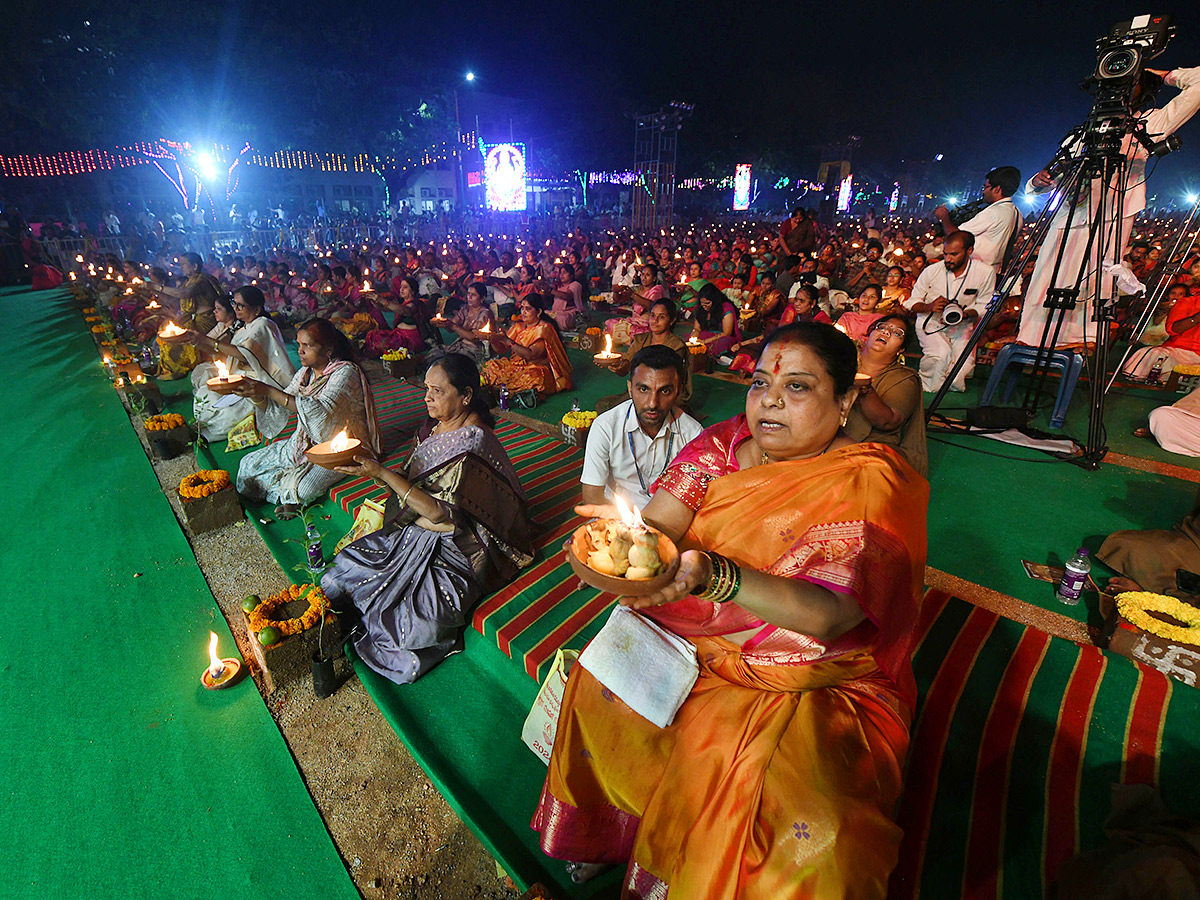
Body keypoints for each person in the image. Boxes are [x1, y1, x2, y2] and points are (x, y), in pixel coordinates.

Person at [533, 322, 929, 896]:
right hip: (691, 629)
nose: (769, 400)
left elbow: (828, 616)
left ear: (845, 402)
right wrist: (626, 548)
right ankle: (613, 831)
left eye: (797, 387)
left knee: (814, 830)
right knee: (600, 685)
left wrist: (713, 575)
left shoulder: (872, 480)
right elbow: (664, 526)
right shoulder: (719, 445)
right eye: (760, 381)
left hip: (812, 674)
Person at [321, 353, 534, 684]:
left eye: (438, 391)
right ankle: (357, 614)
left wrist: (381, 473)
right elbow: (412, 484)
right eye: (426, 389)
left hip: (458, 547)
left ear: (465, 395)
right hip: (414, 530)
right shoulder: (434, 427)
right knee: (343, 571)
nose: (427, 398)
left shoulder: (473, 441)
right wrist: (376, 473)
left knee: (420, 625)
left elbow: (440, 513)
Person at [1017, 65, 1200, 348]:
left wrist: (1162, 75)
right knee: (1047, 277)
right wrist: (1039, 182)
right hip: (1069, 214)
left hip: (1113, 214)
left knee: (1096, 278)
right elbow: (1050, 174)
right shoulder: (1084, 130)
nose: (1121, 87)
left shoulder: (1149, 124)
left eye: (1131, 81)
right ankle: (1032, 340)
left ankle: (1081, 340)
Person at [234, 318, 380, 518]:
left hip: (341, 448)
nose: (300, 350)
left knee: (303, 489)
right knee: (247, 464)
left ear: (328, 349)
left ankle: (290, 494)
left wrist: (268, 389)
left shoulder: (345, 373)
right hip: (305, 443)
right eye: (299, 344)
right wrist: (258, 395)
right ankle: (286, 491)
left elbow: (321, 412)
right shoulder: (305, 373)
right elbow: (283, 405)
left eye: (307, 345)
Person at [581, 345, 702, 509]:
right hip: (616, 520)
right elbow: (592, 498)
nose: (652, 403)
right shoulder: (605, 427)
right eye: (644, 389)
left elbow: (697, 497)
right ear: (630, 389)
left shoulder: (693, 434)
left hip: (669, 520)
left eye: (665, 391)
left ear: (679, 391)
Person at [188, 285, 297, 441]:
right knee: (205, 393)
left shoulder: (263, 324)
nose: (236, 309)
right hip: (241, 375)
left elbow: (244, 354)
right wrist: (196, 342)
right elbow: (225, 352)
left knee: (227, 414)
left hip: (260, 381)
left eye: (241, 305)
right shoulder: (244, 328)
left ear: (257, 309)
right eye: (235, 304)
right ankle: (201, 425)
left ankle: (204, 432)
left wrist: (206, 341)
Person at [904, 231, 995, 392]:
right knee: (940, 354)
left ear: (969, 251)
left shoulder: (985, 272)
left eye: (953, 254)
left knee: (960, 374)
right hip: (930, 322)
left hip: (963, 325)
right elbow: (911, 302)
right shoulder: (931, 271)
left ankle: (948, 379)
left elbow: (985, 305)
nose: (948, 259)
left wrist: (965, 314)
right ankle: (926, 386)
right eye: (945, 254)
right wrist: (929, 307)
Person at [844, 314, 928, 475]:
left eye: (897, 333)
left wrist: (864, 389)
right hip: (827, 431)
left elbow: (888, 422)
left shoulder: (904, 378)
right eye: (882, 327)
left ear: (901, 350)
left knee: (870, 468)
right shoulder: (843, 360)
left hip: (873, 444)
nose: (886, 332)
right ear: (868, 336)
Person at [933, 166, 1023, 273]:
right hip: (994, 272)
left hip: (976, 273)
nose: (983, 192)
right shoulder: (1018, 215)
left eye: (985, 187)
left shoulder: (993, 212)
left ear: (997, 189)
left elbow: (955, 236)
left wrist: (944, 217)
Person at [150, 252, 223, 379]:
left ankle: (181, 367)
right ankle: (173, 366)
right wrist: (152, 290)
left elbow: (185, 294)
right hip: (192, 317)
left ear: (194, 266)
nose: (181, 267)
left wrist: (159, 287)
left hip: (207, 320)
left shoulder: (202, 280)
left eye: (183, 264)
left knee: (181, 337)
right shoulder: (189, 281)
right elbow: (172, 300)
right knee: (165, 331)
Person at [481, 294, 573, 396]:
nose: (523, 312)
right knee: (490, 366)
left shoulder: (544, 329)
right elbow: (501, 349)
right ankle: (505, 389)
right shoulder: (519, 326)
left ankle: (503, 388)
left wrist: (507, 340)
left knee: (534, 378)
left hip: (536, 368)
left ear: (538, 312)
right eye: (522, 308)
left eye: (528, 309)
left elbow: (531, 354)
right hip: (515, 366)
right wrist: (492, 339)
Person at [612, 298, 693, 404]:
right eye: (653, 315)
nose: (655, 320)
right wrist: (619, 367)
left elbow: (667, 377)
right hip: (644, 389)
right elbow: (627, 364)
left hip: (666, 392)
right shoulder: (640, 340)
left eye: (662, 317)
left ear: (672, 321)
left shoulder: (676, 345)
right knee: (606, 406)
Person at [1122, 280, 1200, 380]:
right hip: (1179, 351)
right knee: (1155, 354)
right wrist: (1196, 318)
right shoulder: (1188, 302)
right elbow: (1172, 329)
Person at [364, 276, 433, 358]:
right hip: (399, 334)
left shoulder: (415, 304)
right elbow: (385, 308)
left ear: (413, 291)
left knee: (375, 340)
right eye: (401, 287)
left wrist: (380, 299)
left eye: (405, 287)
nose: (402, 289)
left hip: (410, 339)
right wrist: (374, 301)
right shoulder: (402, 303)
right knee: (372, 335)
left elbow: (404, 311)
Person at [691, 282, 742, 356]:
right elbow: (697, 328)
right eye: (702, 304)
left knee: (723, 343)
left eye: (707, 303)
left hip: (722, 336)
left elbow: (727, 333)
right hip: (707, 334)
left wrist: (704, 341)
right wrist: (694, 337)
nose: (704, 307)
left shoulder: (726, 308)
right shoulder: (701, 308)